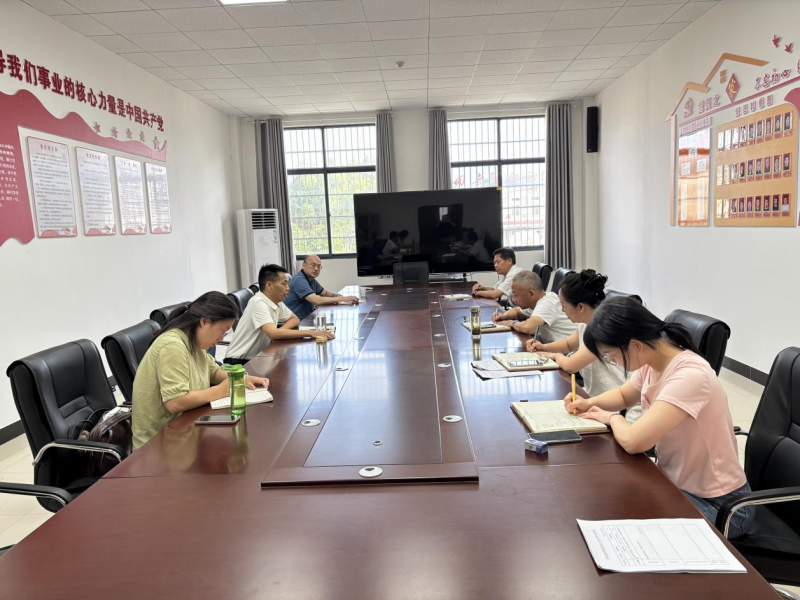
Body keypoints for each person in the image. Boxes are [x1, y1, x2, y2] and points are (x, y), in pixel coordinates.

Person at [565, 296, 753, 539]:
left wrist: (611, 418)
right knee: (611, 501)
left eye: (611, 355)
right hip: (676, 485)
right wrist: (589, 403)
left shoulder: (689, 376)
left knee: (626, 522)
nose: (613, 362)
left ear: (635, 345)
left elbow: (634, 442)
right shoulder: (651, 361)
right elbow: (623, 395)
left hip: (723, 507)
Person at [131, 292, 269, 450]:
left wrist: (241, 379)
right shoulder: (172, 346)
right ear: (204, 322)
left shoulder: (193, 341)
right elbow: (175, 402)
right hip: (158, 446)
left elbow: (214, 371)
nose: (222, 338)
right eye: (223, 331)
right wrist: (221, 390)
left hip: (186, 431)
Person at [525, 270, 628, 399]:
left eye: (564, 306)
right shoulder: (586, 324)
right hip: (597, 396)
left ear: (580, 307)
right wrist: (543, 347)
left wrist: (554, 355)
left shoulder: (600, 330)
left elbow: (570, 366)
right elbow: (568, 344)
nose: (562, 310)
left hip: (617, 399)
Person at [225, 264, 334, 363]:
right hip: (238, 362)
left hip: (259, 357)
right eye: (284, 284)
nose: (288, 288)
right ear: (269, 285)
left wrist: (279, 332)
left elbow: (294, 319)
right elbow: (273, 334)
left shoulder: (275, 301)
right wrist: (311, 333)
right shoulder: (258, 302)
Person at [492, 270, 577, 343]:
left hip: (568, 353)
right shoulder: (539, 299)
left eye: (516, 295)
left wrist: (512, 323)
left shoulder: (547, 303)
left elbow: (528, 328)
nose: (514, 299)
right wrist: (503, 316)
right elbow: (517, 311)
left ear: (531, 294)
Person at [285, 255, 358, 321]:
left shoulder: (311, 279)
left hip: (307, 318)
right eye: (313, 265)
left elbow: (325, 293)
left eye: (319, 266)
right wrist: (344, 299)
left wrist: (336, 295)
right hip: (296, 322)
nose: (316, 269)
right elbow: (316, 300)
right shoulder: (299, 280)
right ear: (304, 265)